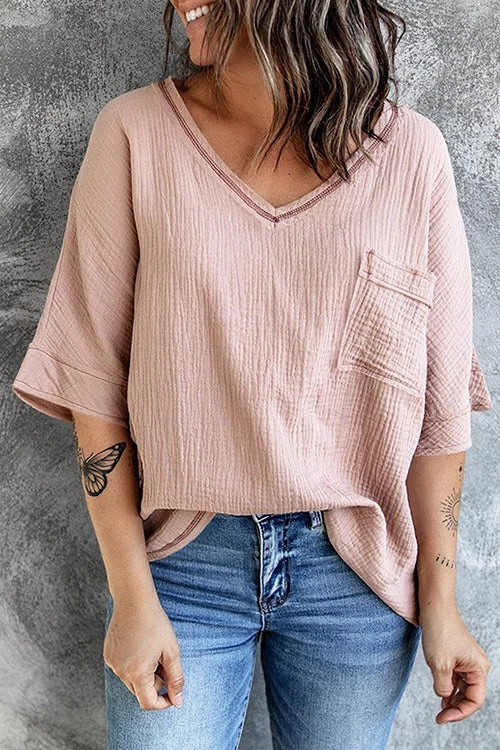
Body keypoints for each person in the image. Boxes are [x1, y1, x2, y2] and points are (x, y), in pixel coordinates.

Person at [11, 1, 494, 748]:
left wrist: (443, 600)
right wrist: (131, 594)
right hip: (181, 567)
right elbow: (92, 381)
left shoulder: (410, 154)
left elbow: (438, 410)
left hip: (357, 576)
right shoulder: (136, 133)